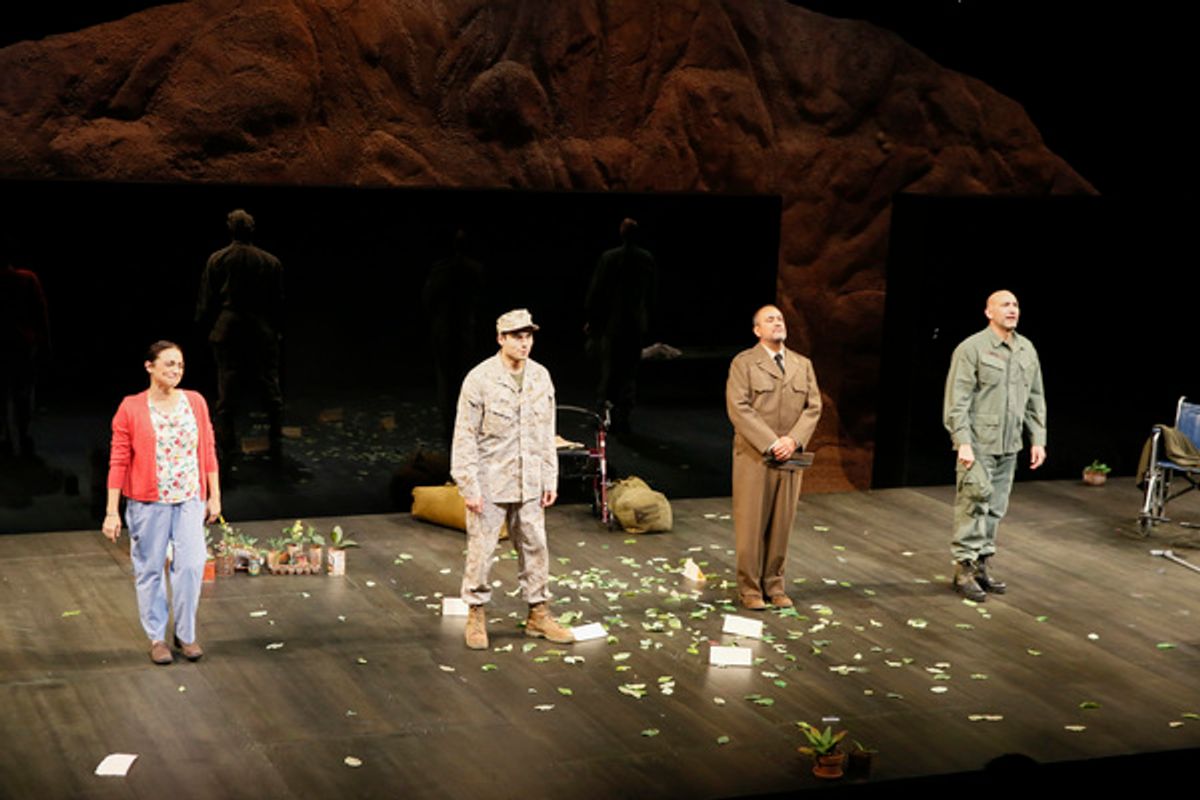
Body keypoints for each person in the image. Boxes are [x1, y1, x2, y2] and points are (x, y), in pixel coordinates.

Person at [452, 309, 573, 649]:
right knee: (482, 548)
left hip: (530, 479)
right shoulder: (480, 379)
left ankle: (538, 613)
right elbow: (464, 436)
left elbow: (547, 430)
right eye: (517, 337)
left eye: (528, 336)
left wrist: (550, 478)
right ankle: (476, 613)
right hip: (491, 480)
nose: (524, 343)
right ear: (501, 339)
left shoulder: (540, 377)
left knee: (536, 545)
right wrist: (468, 485)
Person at [102, 341, 221, 665]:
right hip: (147, 502)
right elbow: (119, 460)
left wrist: (214, 496)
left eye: (180, 365)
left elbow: (208, 448)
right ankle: (157, 638)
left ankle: (185, 634)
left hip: (189, 499)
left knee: (192, 564)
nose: (175, 371)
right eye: (168, 364)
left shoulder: (194, 402)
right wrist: (112, 511)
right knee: (150, 569)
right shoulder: (131, 407)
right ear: (149, 366)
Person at [943, 290, 1046, 601]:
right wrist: (962, 442)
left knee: (995, 508)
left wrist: (1037, 439)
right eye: (1005, 305)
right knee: (974, 502)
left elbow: (1035, 399)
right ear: (988, 312)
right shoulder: (972, 349)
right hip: (979, 443)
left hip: (1009, 445)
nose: (1012, 309)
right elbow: (956, 400)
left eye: (1015, 304)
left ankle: (982, 565)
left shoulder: (1026, 349)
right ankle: (964, 569)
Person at [726, 305, 822, 610]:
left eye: (780, 319)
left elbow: (813, 406)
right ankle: (750, 589)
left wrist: (793, 440)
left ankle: (775, 585)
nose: (777, 322)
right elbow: (739, 408)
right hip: (756, 455)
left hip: (790, 455)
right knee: (752, 523)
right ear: (757, 330)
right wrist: (771, 442)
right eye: (770, 319)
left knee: (782, 524)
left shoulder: (801, 364)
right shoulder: (744, 363)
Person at [196, 209, 285, 465]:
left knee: (227, 385)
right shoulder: (269, 261)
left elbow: (206, 299)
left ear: (230, 228)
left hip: (230, 326)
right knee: (269, 383)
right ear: (252, 229)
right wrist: (276, 329)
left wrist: (205, 326)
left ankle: (228, 445)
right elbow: (278, 301)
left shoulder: (218, 259)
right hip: (260, 327)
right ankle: (275, 437)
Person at [584, 218, 658, 434]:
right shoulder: (646, 259)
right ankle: (622, 416)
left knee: (610, 369)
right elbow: (652, 294)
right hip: (634, 324)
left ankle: (604, 415)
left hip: (613, 325)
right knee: (628, 371)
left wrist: (593, 319)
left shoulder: (610, 258)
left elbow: (597, 292)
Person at [0, 236, 51, 459]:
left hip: (11, 345)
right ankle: (21, 437)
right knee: (22, 394)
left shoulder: (26, 279)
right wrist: (43, 343)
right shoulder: (26, 279)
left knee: (6, 395)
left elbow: (40, 314)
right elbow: (41, 314)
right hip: (21, 345)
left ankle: (8, 439)